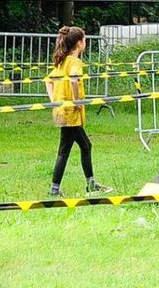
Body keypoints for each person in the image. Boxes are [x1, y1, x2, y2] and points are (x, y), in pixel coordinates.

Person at [44, 26, 111, 197]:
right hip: (70, 113)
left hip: (63, 111)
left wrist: (54, 101)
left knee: (86, 145)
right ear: (79, 43)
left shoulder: (62, 61)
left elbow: (48, 81)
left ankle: (91, 184)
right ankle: (54, 188)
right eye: (85, 40)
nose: (86, 43)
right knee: (64, 150)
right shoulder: (74, 62)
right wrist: (77, 101)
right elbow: (74, 79)